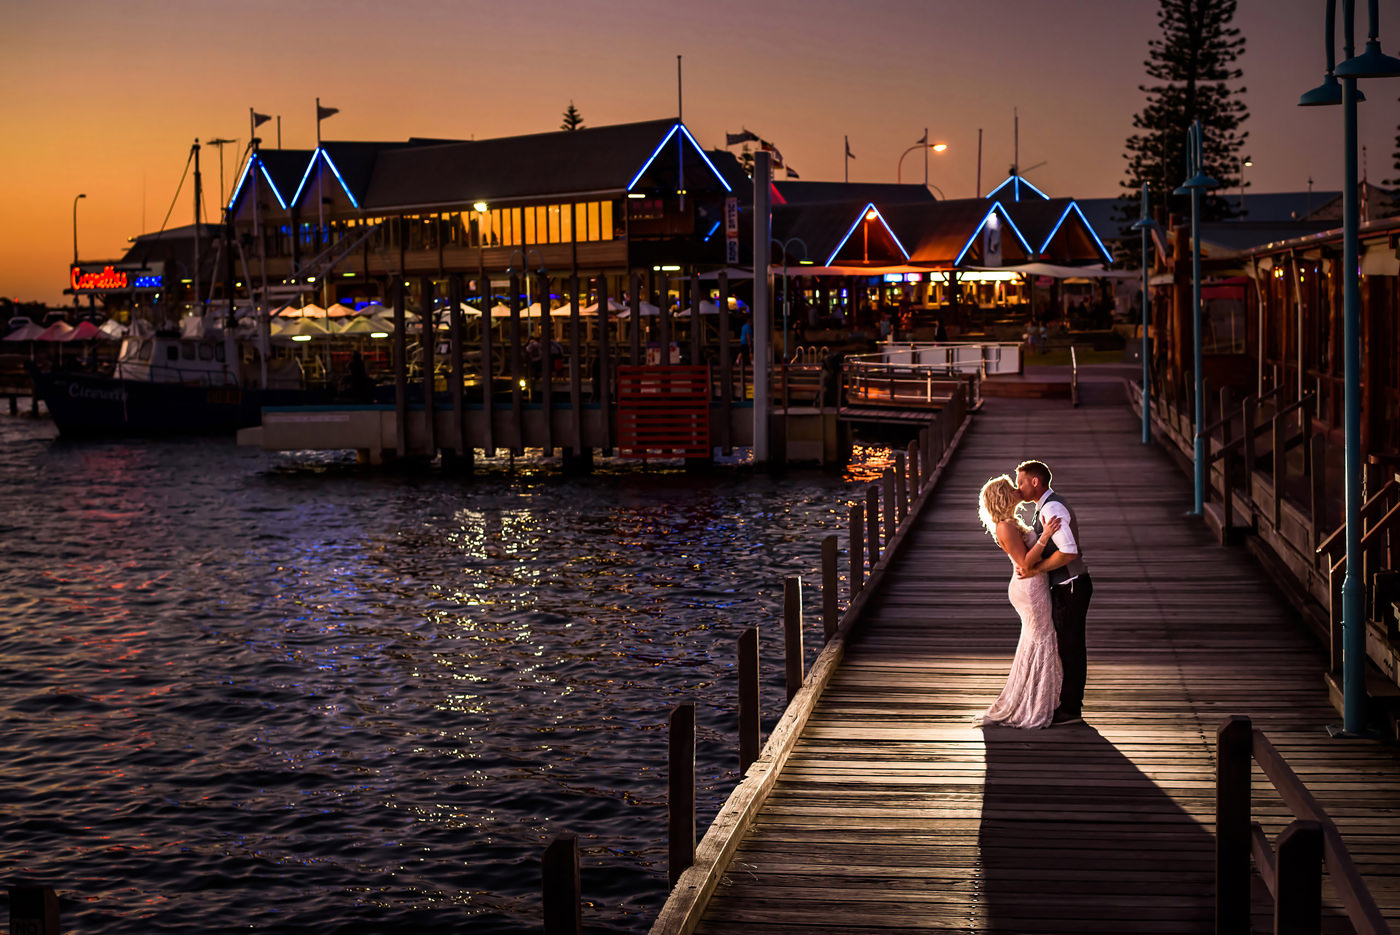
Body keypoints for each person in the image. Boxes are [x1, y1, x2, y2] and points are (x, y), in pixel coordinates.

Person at [977, 475, 1063, 729]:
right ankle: (1033, 704)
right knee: (1042, 638)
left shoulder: (1011, 522)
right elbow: (1026, 562)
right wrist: (1046, 535)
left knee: (1037, 640)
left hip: (1032, 584)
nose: (1017, 490)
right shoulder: (1005, 526)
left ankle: (1038, 697)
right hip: (1029, 587)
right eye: (1011, 488)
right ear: (1004, 496)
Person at [1014, 459, 1092, 725]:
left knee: (1071, 648)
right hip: (1065, 587)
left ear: (1035, 481)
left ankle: (1071, 709)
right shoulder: (1043, 508)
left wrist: (1037, 571)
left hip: (1071, 586)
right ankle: (1067, 703)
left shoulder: (1052, 508)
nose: (1018, 488)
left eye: (1021, 482)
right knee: (1067, 646)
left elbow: (1069, 551)